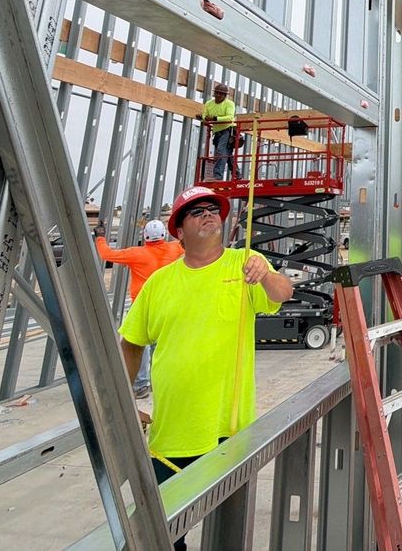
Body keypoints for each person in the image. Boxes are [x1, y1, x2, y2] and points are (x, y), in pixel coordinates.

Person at [119, 186, 293, 551]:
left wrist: (265, 274)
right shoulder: (160, 284)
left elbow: (282, 294)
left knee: (226, 535)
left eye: (213, 209)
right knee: (160, 535)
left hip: (228, 433)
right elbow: (131, 343)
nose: (209, 214)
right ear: (178, 232)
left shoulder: (244, 264)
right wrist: (123, 400)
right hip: (171, 434)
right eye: (196, 211)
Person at [93, 218, 183, 398]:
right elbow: (190, 246)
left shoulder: (136, 253)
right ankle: (161, 381)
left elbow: (106, 254)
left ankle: (141, 385)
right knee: (162, 344)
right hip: (167, 303)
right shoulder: (175, 249)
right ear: (164, 235)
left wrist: (100, 237)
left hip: (143, 305)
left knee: (138, 344)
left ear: (145, 236)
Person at [202, 83, 238, 179]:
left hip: (227, 130)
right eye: (217, 93)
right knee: (227, 154)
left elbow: (230, 118)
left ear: (225, 95)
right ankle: (237, 174)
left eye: (221, 94)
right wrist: (204, 118)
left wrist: (214, 118)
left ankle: (217, 176)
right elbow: (204, 115)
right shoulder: (209, 104)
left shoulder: (229, 104)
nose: (218, 95)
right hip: (217, 132)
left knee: (220, 151)